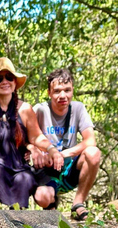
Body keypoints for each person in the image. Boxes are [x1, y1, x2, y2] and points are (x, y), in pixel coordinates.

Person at [0, 57, 63, 209]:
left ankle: (19, 216)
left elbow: (36, 136)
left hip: (19, 165)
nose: (5, 82)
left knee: (24, 179)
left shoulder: (25, 109)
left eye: (9, 77)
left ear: (15, 83)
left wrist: (51, 149)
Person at [30, 68, 101, 220]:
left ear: (72, 90)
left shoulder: (78, 108)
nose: (63, 96)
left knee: (93, 152)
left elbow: (90, 140)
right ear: (49, 93)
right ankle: (50, 206)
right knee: (42, 197)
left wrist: (61, 154)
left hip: (69, 168)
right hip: (47, 170)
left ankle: (78, 204)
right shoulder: (40, 110)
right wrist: (35, 150)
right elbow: (23, 136)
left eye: (67, 90)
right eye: (57, 91)